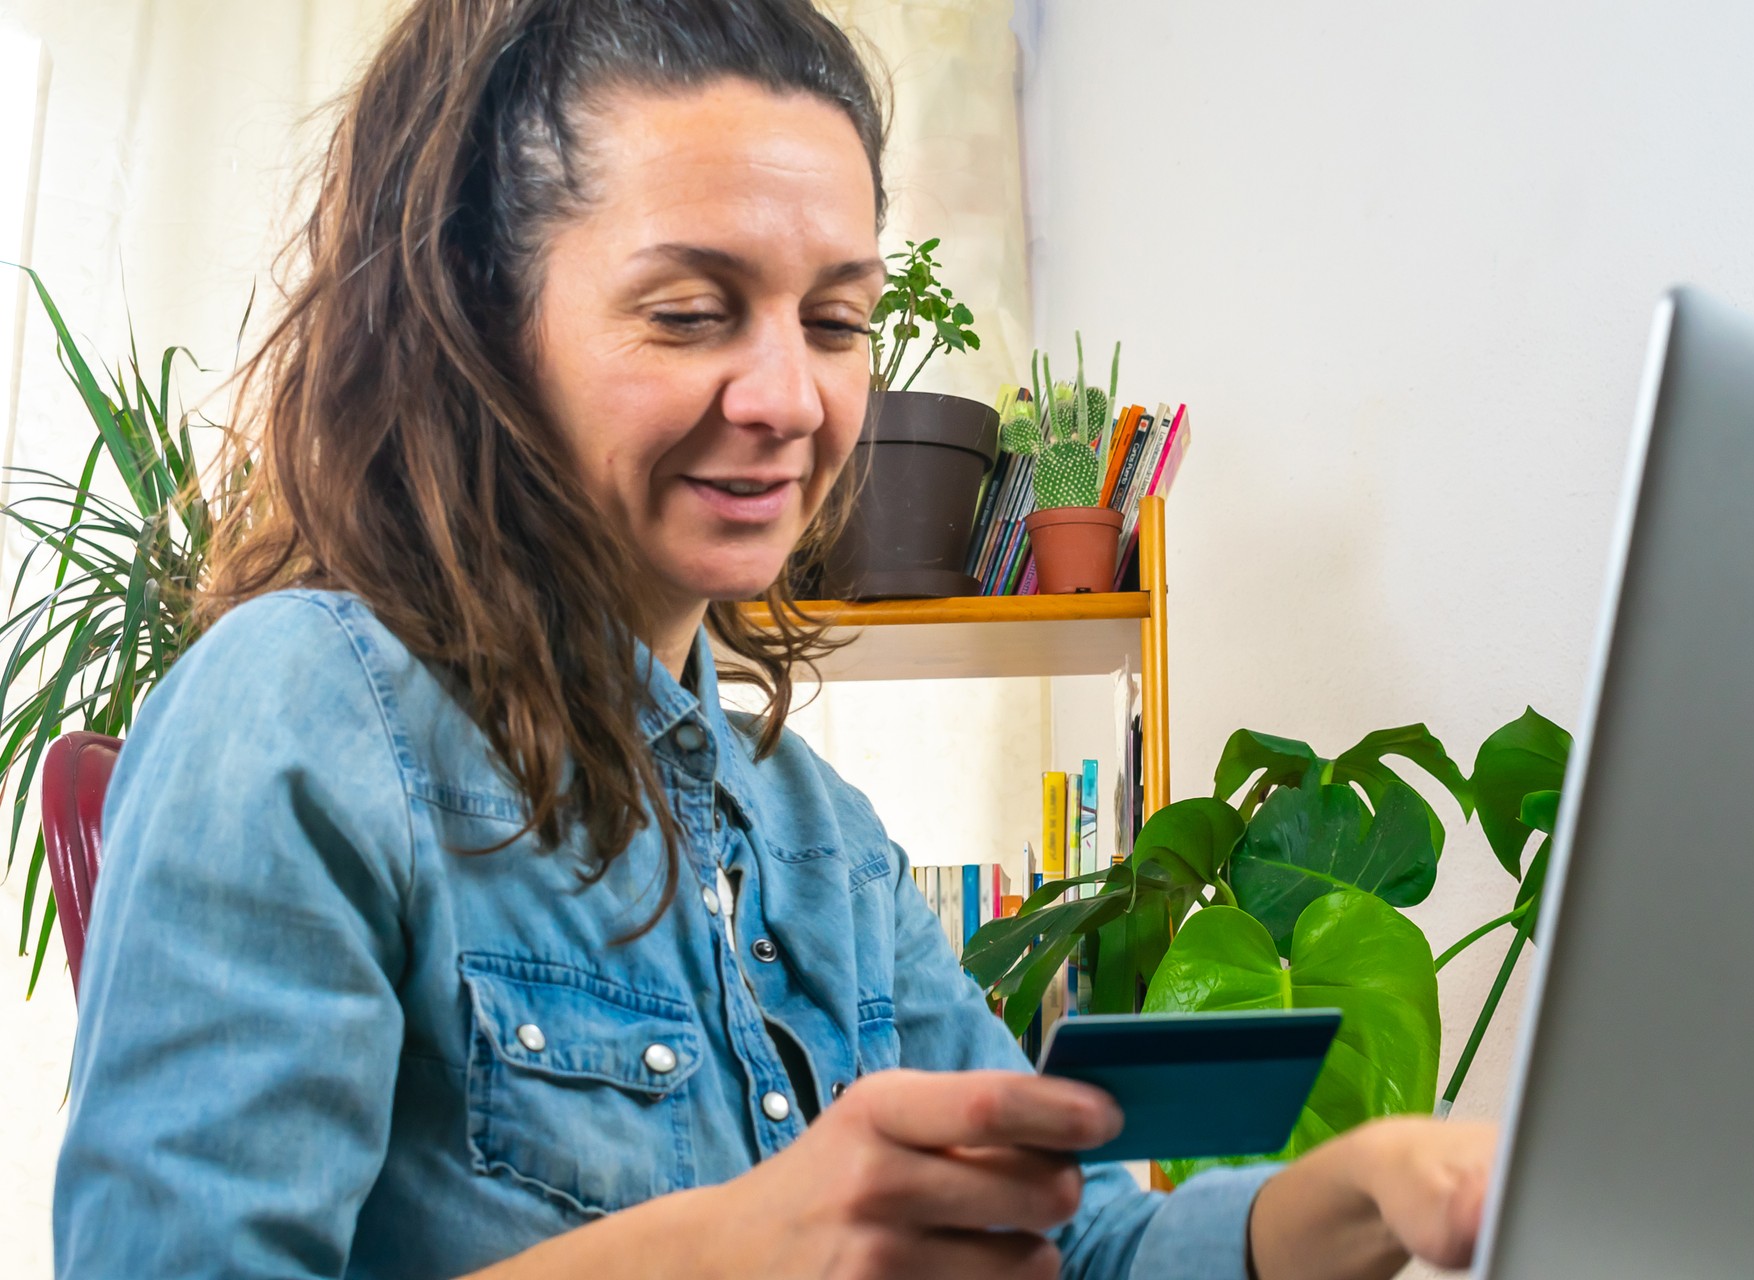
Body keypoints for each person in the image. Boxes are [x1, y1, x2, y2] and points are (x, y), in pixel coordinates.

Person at [52, 1, 1494, 1276]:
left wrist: (1360, 1198)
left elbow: (1078, 1246)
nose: (789, 399)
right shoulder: (299, 718)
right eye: (689, 313)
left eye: (836, 319)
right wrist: (734, 1252)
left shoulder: (820, 845)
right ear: (482, 323)